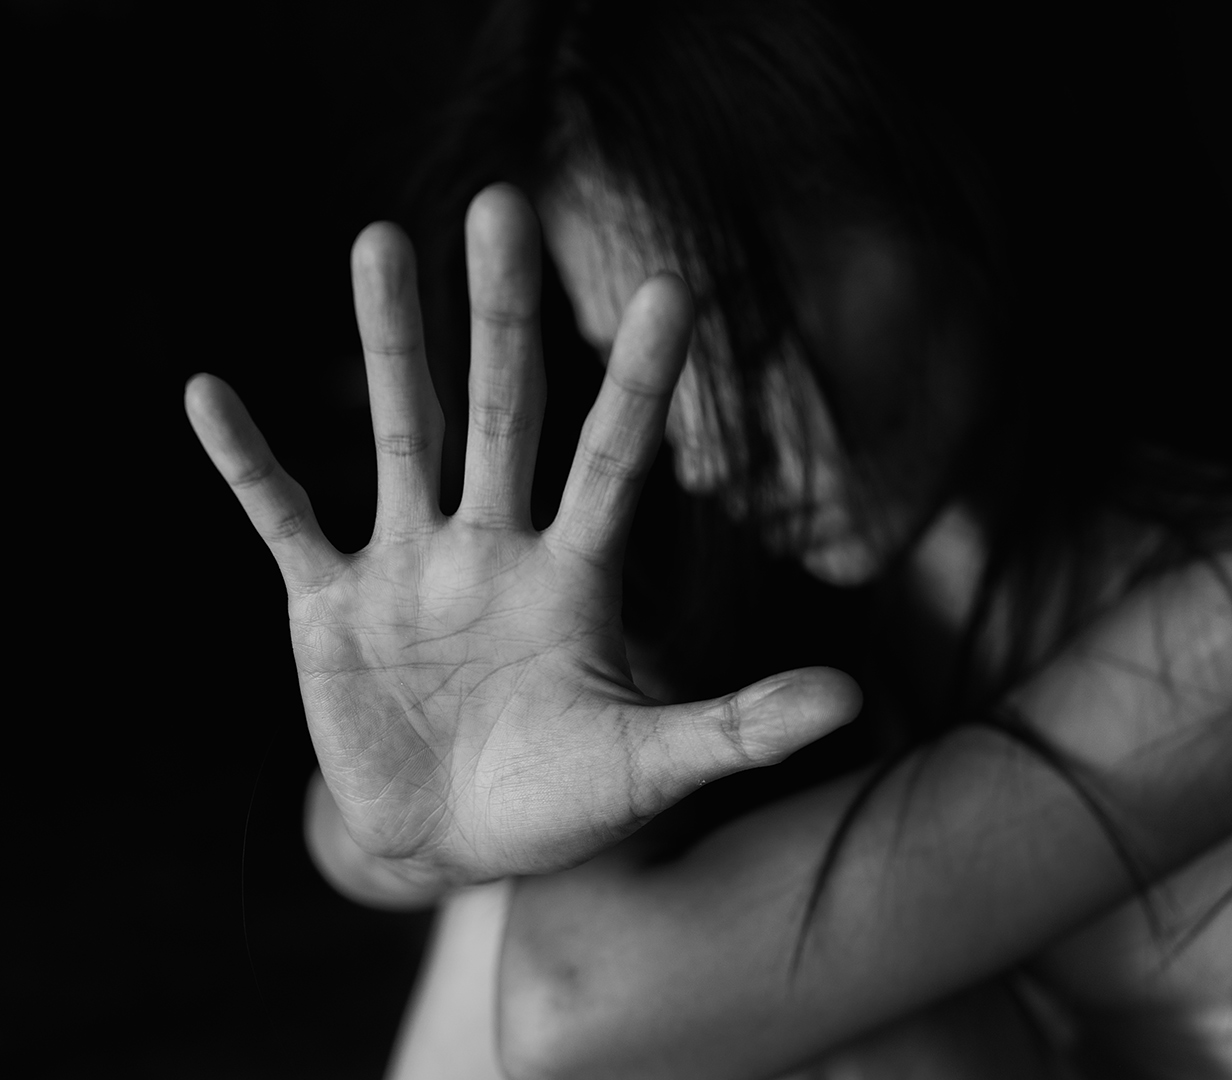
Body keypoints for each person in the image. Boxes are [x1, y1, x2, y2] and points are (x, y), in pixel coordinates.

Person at [185, 0, 1230, 1076]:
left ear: (950, 166)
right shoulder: (752, 613)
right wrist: (404, 838)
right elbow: (421, 835)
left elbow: (578, 1000)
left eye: (742, 319)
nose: (709, 453)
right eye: (635, 358)